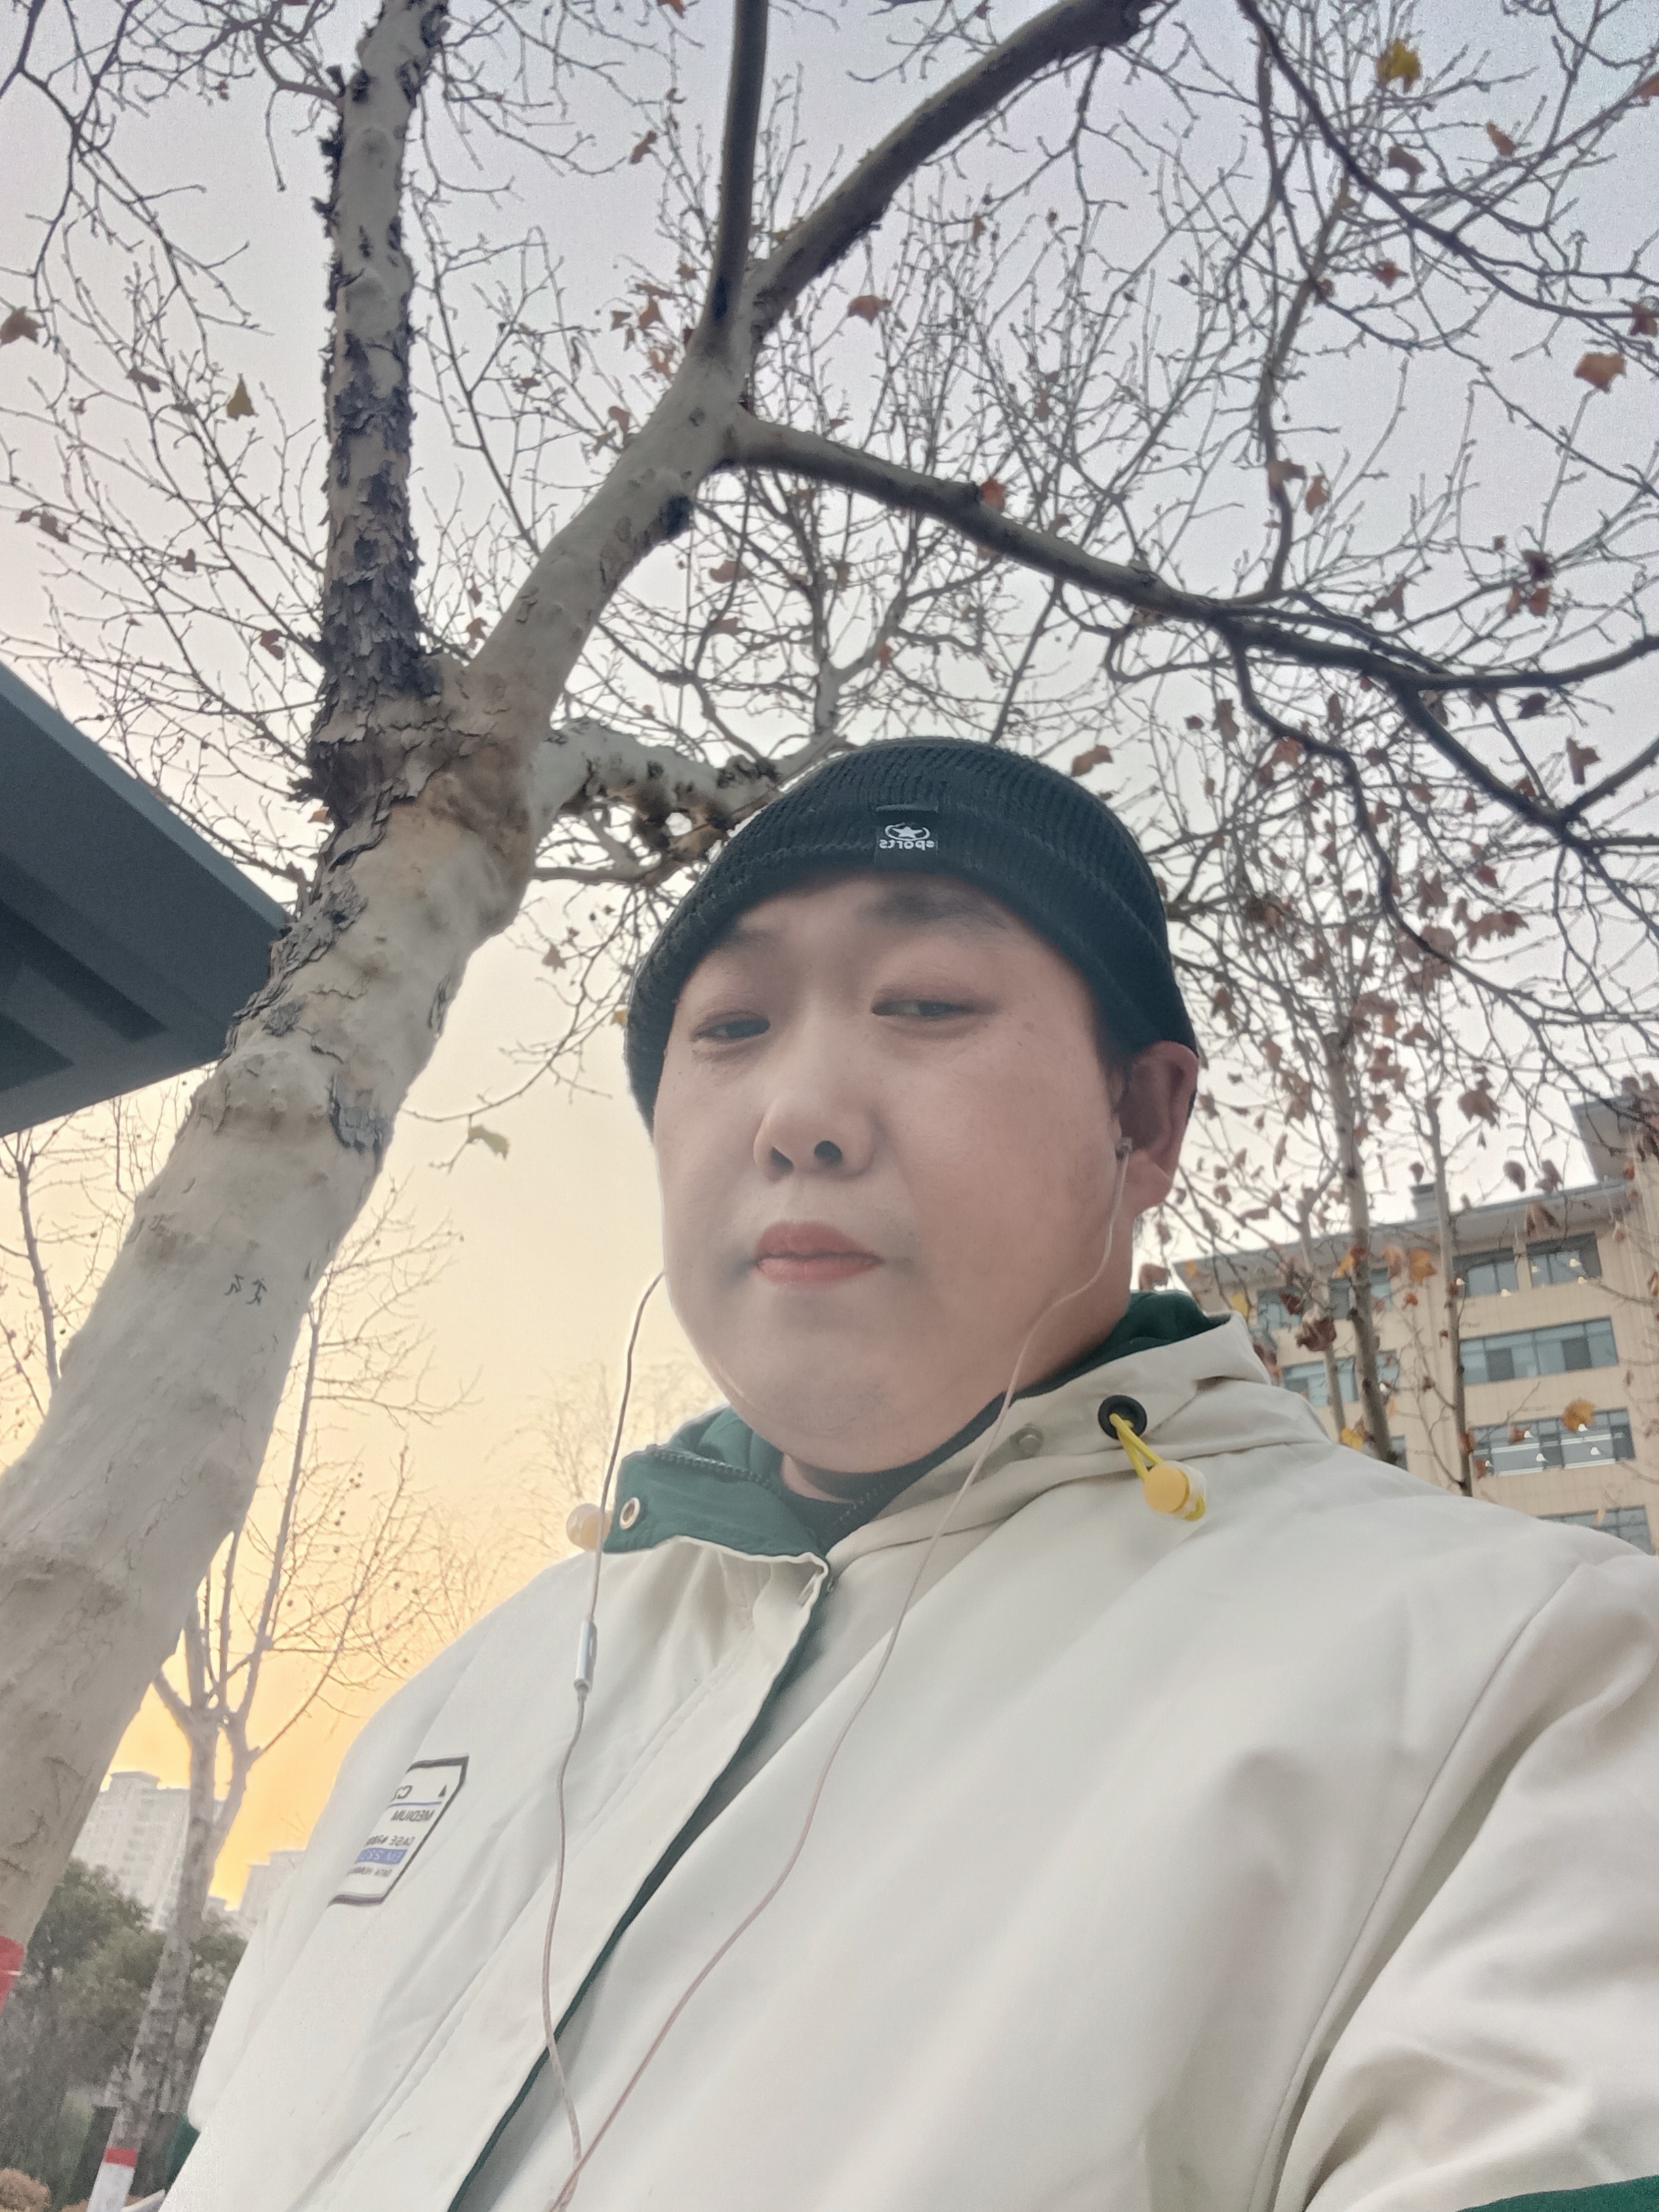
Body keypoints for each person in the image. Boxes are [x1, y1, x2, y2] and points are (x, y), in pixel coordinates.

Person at [163, 741, 1659, 2212]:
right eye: (730, 1027)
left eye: (927, 1003)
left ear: (1142, 1118)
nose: (798, 1114)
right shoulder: (460, 1699)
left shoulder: (1534, 1685)